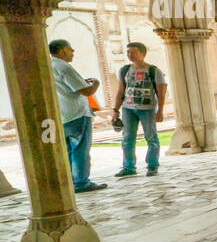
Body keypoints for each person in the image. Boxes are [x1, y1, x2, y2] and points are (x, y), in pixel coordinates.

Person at [48, 40, 106, 192]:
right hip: (76, 113)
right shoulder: (63, 66)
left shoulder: (48, 65)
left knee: (67, 151)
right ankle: (81, 182)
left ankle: (69, 182)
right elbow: (86, 91)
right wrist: (96, 83)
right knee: (80, 149)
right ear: (62, 51)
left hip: (61, 114)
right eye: (70, 49)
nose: (73, 51)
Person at [111, 41, 167, 178]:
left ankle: (152, 165)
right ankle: (129, 166)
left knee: (151, 137)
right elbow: (120, 92)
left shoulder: (153, 71)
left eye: (134, 52)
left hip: (147, 109)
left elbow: (161, 93)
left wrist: (160, 111)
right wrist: (115, 110)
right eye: (128, 52)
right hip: (128, 108)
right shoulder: (124, 70)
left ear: (143, 53)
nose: (130, 55)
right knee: (127, 138)